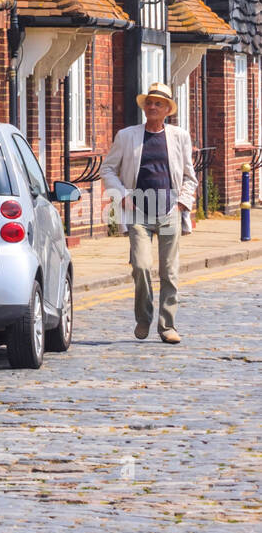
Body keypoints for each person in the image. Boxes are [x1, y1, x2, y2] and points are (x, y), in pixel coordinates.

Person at [101, 82, 197, 345]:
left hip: (168, 211)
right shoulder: (127, 136)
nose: (152, 107)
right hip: (139, 211)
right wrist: (122, 196)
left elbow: (190, 176)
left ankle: (167, 326)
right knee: (141, 266)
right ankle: (143, 318)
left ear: (167, 109)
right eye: (149, 102)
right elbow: (107, 169)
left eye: (158, 103)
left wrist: (182, 204)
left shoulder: (180, 137)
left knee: (170, 271)